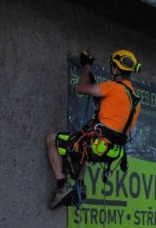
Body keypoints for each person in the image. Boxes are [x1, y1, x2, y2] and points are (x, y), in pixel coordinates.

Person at [46, 49, 143, 209]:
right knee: (80, 143)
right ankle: (81, 186)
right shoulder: (135, 99)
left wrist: (85, 67)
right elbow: (104, 106)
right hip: (113, 152)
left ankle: (61, 186)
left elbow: (82, 88)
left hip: (98, 146)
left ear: (116, 68)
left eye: (112, 66)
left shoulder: (113, 87)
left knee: (52, 140)